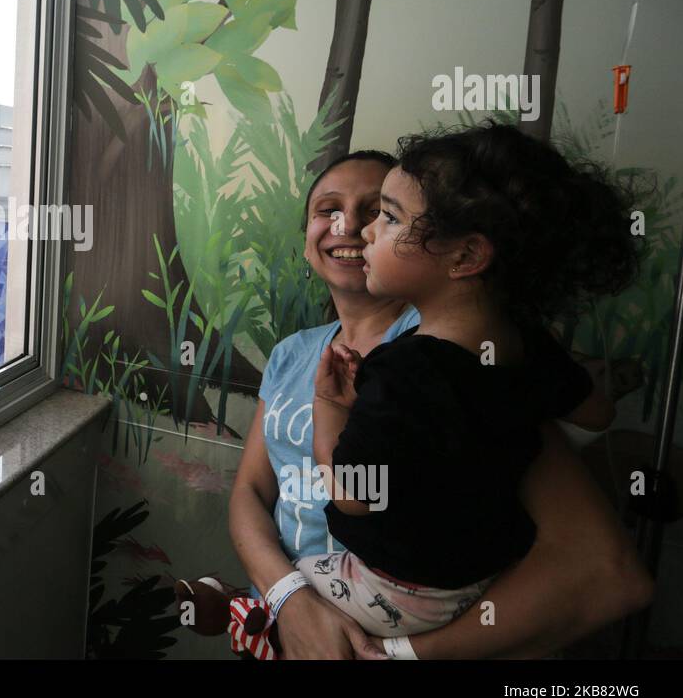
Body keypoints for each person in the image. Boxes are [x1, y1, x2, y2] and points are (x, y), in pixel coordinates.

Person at [228, 146, 655, 659]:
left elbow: (608, 574)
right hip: (290, 616)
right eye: (327, 209)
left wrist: (405, 653)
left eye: (379, 213)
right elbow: (250, 491)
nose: (353, 227)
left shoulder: (459, 356)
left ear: (463, 254)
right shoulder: (292, 353)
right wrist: (288, 598)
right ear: (305, 239)